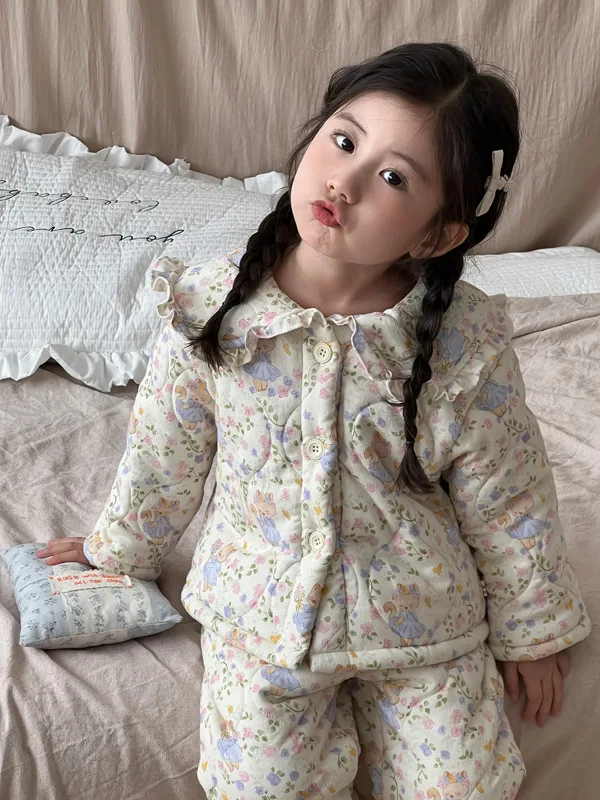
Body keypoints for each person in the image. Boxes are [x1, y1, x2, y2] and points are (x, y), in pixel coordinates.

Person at [37, 42, 591, 800]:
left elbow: (509, 494)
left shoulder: (462, 341)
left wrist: (535, 628)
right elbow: (166, 450)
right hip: (261, 617)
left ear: (436, 234)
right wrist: (120, 551)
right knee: (259, 786)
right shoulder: (213, 309)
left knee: (467, 785)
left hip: (426, 619)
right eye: (344, 140)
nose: (345, 181)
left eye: (394, 177)